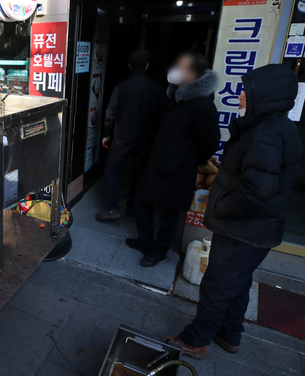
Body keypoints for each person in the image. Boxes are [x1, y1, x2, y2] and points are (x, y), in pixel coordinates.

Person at [162, 64, 303, 359]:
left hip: (243, 230)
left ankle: (195, 340)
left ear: (264, 96)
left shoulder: (264, 134)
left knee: (217, 286)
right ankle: (228, 334)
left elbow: (258, 190)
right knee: (237, 285)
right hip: (256, 230)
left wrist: (222, 208)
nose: (240, 96)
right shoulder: (279, 126)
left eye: (246, 91)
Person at [127, 50, 220, 267]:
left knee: (168, 215)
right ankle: (145, 241)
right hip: (157, 164)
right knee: (141, 201)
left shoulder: (203, 104)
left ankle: (159, 251)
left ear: (194, 74)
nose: (175, 70)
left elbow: (209, 142)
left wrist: (184, 159)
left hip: (177, 170)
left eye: (181, 67)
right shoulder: (175, 97)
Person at [95, 50, 165, 221]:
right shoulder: (158, 87)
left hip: (123, 136)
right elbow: (163, 115)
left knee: (112, 170)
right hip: (148, 137)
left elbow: (111, 113)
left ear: (129, 66)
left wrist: (106, 134)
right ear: (147, 65)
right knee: (140, 172)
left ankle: (112, 208)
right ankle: (134, 207)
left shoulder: (122, 86)